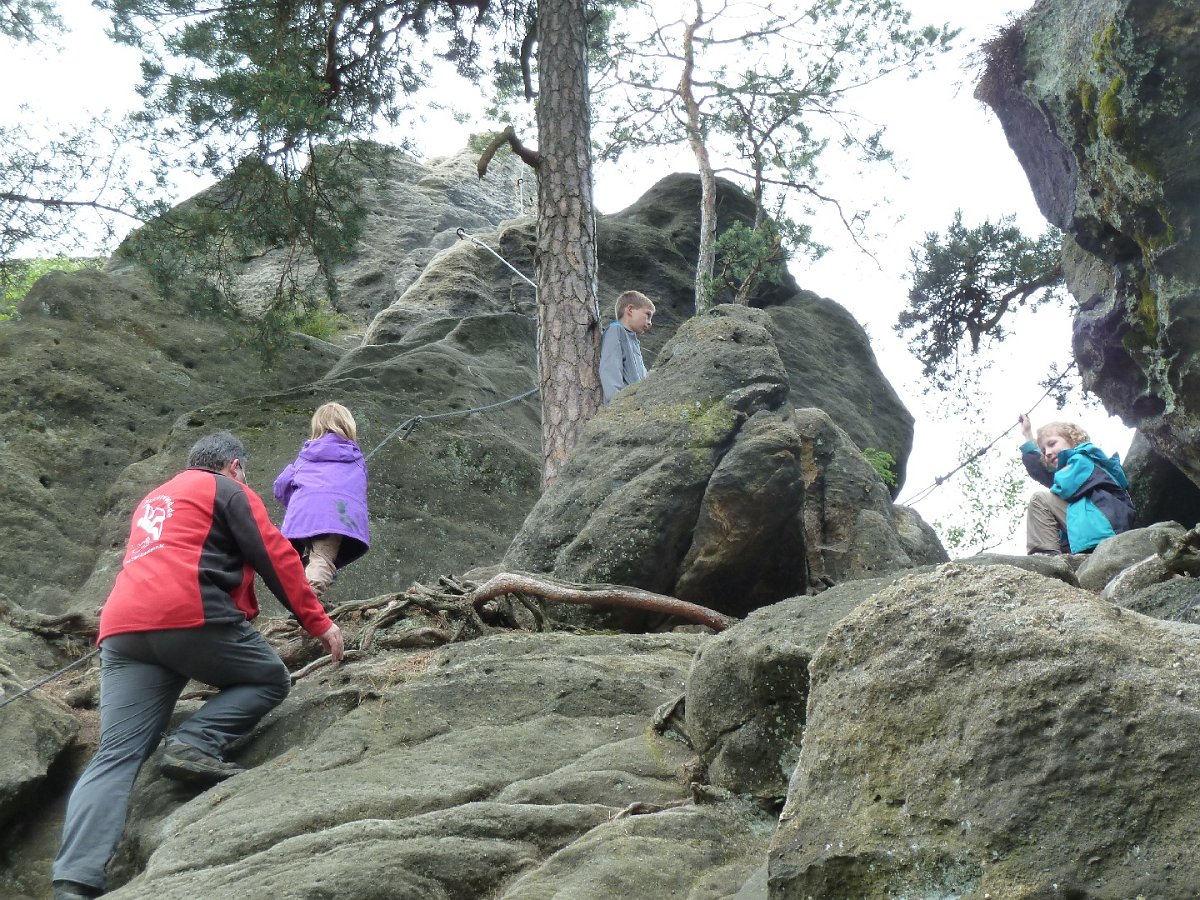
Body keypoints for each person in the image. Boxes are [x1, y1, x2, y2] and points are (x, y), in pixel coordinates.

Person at [51, 431, 343, 900]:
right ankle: (193, 741)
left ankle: (73, 881)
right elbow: (275, 555)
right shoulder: (227, 489)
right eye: (244, 472)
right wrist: (319, 623)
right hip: (190, 615)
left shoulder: (153, 499)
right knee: (269, 678)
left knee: (116, 754)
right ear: (234, 466)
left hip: (123, 631)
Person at [273, 402, 370, 598]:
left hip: (303, 516)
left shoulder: (306, 455)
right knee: (322, 558)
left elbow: (282, 484)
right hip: (335, 517)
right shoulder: (357, 459)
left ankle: (301, 598)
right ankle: (308, 600)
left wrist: (293, 502)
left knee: (303, 559)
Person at [1018, 414, 1135, 555]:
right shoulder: (1071, 470)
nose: (1047, 453)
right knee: (1044, 499)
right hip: (1093, 526)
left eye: (1052, 444)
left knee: (1040, 500)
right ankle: (1049, 558)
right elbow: (1042, 471)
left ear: (1072, 440)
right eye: (1043, 451)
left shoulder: (1083, 458)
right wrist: (1027, 434)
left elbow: (1061, 485)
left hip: (1102, 527)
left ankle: (1045, 557)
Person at [599, 290, 655, 403]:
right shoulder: (615, 330)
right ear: (630, 310)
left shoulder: (633, 340)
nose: (650, 322)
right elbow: (610, 369)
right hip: (620, 407)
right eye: (647, 315)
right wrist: (616, 403)